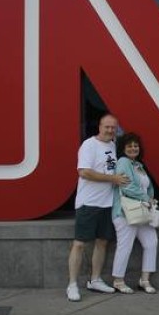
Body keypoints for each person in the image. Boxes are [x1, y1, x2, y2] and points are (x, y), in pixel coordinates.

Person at [68, 113, 128, 302]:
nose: (110, 130)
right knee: (79, 244)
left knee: (102, 242)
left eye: (113, 127)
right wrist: (113, 179)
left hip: (107, 203)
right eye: (107, 127)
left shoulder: (112, 145)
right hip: (88, 203)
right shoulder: (89, 145)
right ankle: (72, 285)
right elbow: (84, 172)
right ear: (99, 127)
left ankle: (95, 280)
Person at [109, 132, 159, 294]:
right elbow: (127, 187)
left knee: (151, 242)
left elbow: (147, 186)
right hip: (125, 212)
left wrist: (150, 198)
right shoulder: (123, 162)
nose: (133, 148)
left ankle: (144, 280)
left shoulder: (138, 165)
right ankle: (118, 280)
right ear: (123, 148)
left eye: (135, 145)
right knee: (125, 245)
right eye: (129, 146)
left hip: (142, 211)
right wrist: (146, 198)